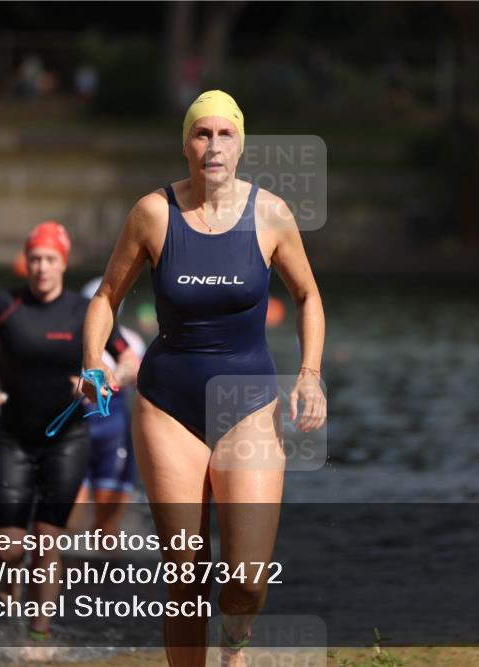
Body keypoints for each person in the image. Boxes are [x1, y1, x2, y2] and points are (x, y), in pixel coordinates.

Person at [80, 90, 327, 666]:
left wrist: (310, 374)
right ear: (186, 143)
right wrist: (92, 360)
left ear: (240, 143)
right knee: (185, 576)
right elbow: (106, 297)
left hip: (249, 403)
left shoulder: (271, 215)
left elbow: (309, 295)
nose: (213, 146)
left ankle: (234, 643)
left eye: (224, 134)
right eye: (201, 134)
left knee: (247, 581)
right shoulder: (153, 214)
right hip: (168, 404)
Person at [0, 221, 134, 642]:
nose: (41, 267)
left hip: (68, 440)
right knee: (7, 547)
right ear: (26, 262)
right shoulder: (3, 305)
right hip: (14, 438)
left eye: (50, 259)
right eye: (35, 259)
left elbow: (128, 360)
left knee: (46, 539)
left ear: (63, 264)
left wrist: (101, 380)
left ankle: (40, 634)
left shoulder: (84, 311)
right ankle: (8, 576)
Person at [68, 277, 146, 538]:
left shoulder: (131, 343)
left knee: (106, 531)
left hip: (114, 434)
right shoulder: (68, 339)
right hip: (76, 431)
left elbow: (142, 382)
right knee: (68, 524)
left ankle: (107, 576)